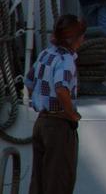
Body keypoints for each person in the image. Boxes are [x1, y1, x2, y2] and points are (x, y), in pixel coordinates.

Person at [25, 14, 86, 194]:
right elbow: (61, 89)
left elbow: (29, 82)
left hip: (41, 122)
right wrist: (72, 114)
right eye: (82, 36)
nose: (83, 40)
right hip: (58, 124)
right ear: (74, 39)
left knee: (39, 179)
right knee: (58, 180)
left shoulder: (45, 54)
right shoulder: (66, 61)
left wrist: (41, 101)